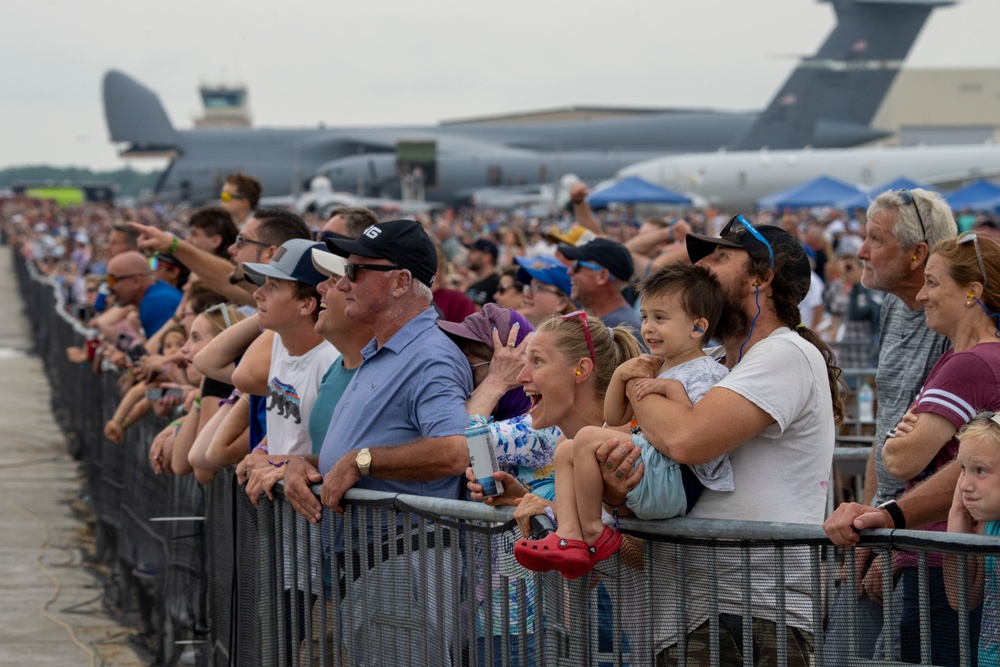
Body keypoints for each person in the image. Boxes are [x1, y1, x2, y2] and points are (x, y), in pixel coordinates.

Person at [591, 214, 843, 665]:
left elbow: (688, 440)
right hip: (691, 605)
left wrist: (636, 380)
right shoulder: (704, 361)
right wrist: (621, 495)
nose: (704, 266)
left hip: (755, 609)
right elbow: (659, 461)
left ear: (761, 279)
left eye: (722, 256)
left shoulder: (784, 353)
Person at [275, 219, 472, 667]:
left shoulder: (429, 356)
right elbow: (350, 448)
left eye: (358, 271)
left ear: (402, 282)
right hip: (379, 567)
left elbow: (455, 448)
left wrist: (361, 461)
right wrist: (299, 465)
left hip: (405, 567)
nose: (343, 282)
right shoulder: (382, 351)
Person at [514, 265, 730, 579]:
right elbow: (615, 416)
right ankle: (571, 537)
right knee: (566, 450)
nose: (648, 327)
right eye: (645, 317)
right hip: (658, 471)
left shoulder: (706, 371)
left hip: (677, 480)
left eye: (660, 318)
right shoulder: (658, 368)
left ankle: (592, 532)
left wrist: (670, 389)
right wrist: (623, 377)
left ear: (697, 328)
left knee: (585, 439)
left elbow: (690, 429)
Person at [822, 188, 957, 662]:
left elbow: (950, 453)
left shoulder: (957, 326)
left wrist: (892, 534)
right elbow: (888, 427)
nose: (859, 251)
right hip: (887, 527)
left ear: (918, 253)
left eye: (874, 239)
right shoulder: (894, 308)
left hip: (927, 538)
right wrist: (875, 520)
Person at [859, 232, 1000, 665]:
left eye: (934, 283)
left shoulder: (970, 363)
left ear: (972, 293)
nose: (921, 295)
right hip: (955, 560)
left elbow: (902, 459)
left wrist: (897, 440)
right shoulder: (967, 357)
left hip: (947, 565)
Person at [131, 207, 311, 307]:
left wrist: (174, 245)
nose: (232, 249)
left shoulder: (287, 311)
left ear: (270, 253)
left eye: (241, 240)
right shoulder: (270, 304)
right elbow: (225, 278)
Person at [944, 412, 1000, 665]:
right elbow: (961, 597)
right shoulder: (990, 523)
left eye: (980, 471)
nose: (965, 484)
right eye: (963, 469)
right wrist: (957, 511)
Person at [558, 237, 643, 332]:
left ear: (602, 276)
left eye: (576, 265)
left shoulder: (623, 329)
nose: (569, 271)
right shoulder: (611, 323)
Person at [105, 250, 183, 337]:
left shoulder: (155, 303)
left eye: (112, 280)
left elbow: (165, 349)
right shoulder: (157, 294)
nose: (108, 287)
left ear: (136, 281)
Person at [513, 255, 576, 326]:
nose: (527, 294)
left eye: (537, 287)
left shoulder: (574, 337)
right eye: (529, 287)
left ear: (562, 303)